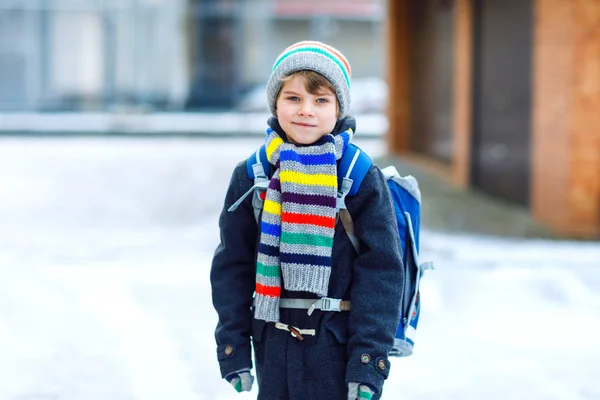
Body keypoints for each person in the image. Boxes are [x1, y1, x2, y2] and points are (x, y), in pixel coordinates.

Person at [210, 40, 404, 400]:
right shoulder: (254, 174)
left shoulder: (358, 176)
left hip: (339, 348)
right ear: (276, 103)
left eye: (321, 100)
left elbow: (382, 272)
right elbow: (231, 266)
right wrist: (233, 347)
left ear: (338, 107)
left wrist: (367, 361)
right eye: (293, 98)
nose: (306, 111)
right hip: (272, 347)